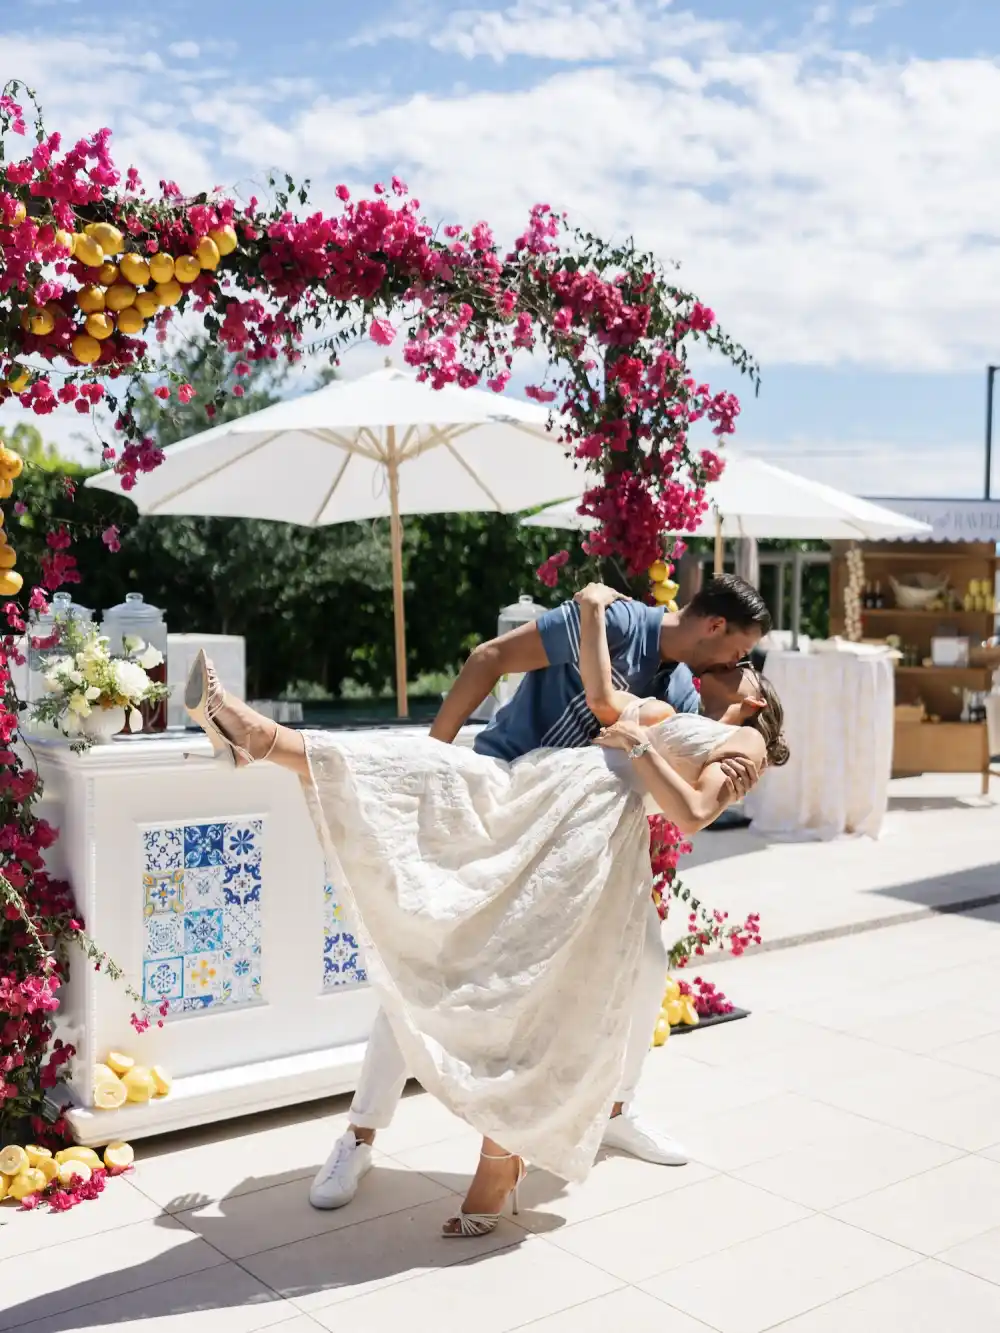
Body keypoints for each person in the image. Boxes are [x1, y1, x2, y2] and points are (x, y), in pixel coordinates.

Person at [185, 574, 783, 1236]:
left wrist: (642, 728)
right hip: (507, 791)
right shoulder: (622, 626)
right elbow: (494, 660)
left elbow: (654, 758)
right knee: (436, 969)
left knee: (633, 971)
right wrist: (431, 764)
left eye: (745, 669)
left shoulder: (686, 696)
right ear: (715, 627)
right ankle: (361, 1135)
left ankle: (598, 1117)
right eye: (738, 654)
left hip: (583, 839)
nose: (739, 667)